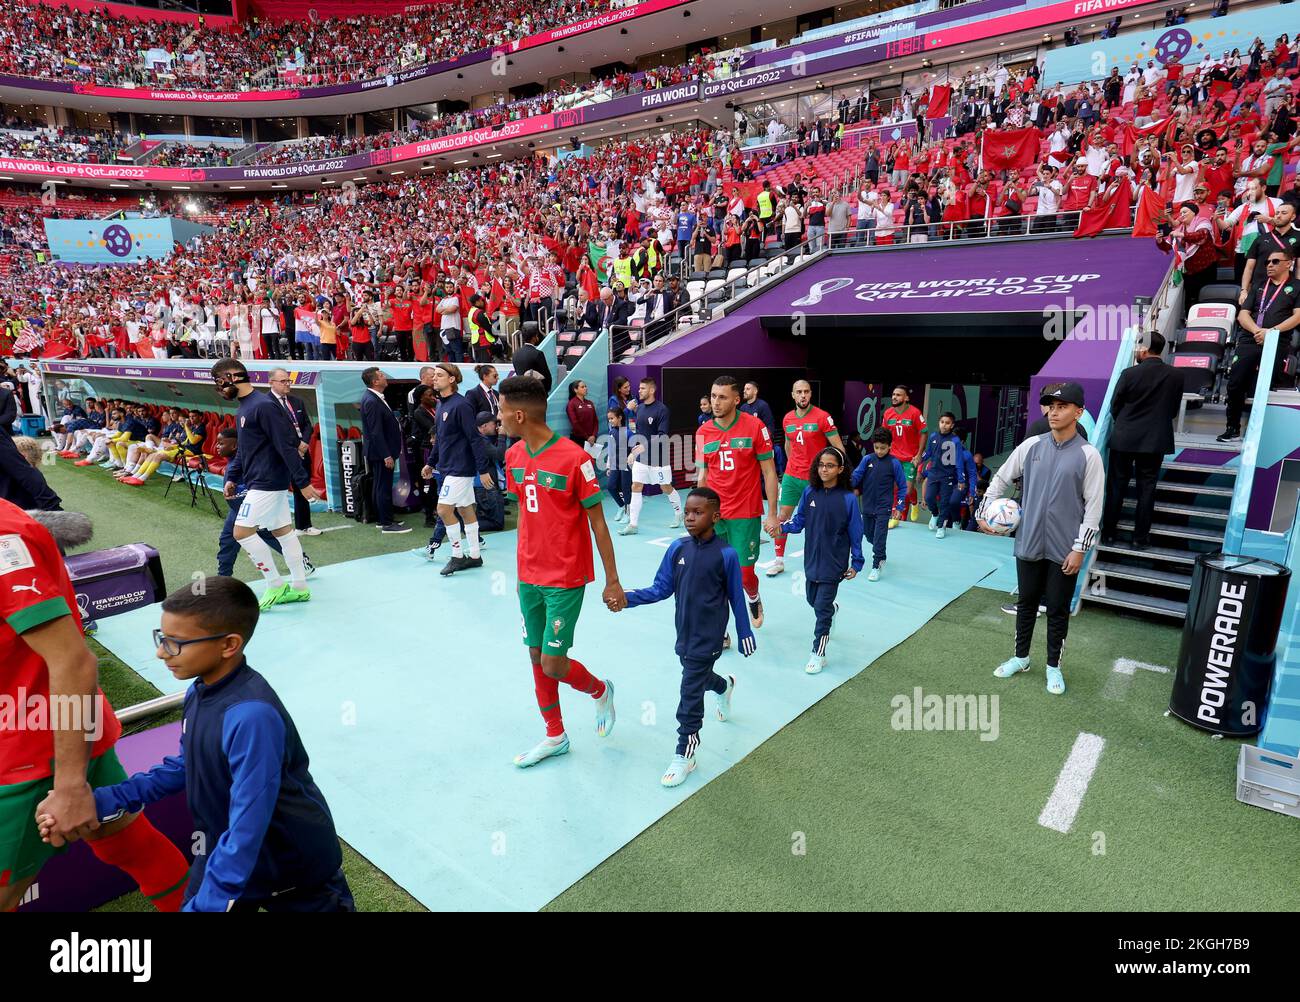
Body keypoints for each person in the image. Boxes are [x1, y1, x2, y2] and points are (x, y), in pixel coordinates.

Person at [42, 577, 354, 911]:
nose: (161, 652)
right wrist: (104, 799)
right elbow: (188, 764)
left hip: (294, 870)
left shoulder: (251, 717)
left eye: (175, 643)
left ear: (229, 645)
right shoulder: (199, 691)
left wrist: (210, 903)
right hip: (224, 853)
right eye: (161, 638)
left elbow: (248, 823)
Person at [0, 499, 189, 913]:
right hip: (54, 735)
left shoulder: (3, 535)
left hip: (30, 750)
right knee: (130, 845)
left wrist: (69, 786)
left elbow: (72, 662)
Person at [498, 375, 624, 768]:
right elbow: (526, 511)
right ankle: (555, 735)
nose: (497, 417)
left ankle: (601, 690)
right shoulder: (514, 456)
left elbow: (599, 523)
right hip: (527, 576)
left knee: (553, 662)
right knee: (535, 655)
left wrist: (613, 580)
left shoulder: (575, 459)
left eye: (501, 411)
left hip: (565, 577)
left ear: (519, 414)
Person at [619, 487, 752, 786]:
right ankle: (724, 686)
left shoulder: (726, 555)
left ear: (715, 517)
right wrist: (627, 599)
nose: (689, 518)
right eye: (687, 512)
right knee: (698, 677)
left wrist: (744, 632)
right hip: (684, 636)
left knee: (689, 694)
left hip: (710, 637)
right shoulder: (677, 549)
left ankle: (685, 752)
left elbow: (736, 597)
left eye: (697, 512)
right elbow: (660, 589)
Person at [978, 383, 1104, 697]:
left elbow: (1094, 508)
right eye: (1050, 405)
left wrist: (1080, 549)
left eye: (1062, 406)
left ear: (1079, 412)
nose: (1054, 411)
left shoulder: (1089, 456)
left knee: (1058, 610)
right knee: (1026, 604)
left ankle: (1053, 667)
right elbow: (1001, 479)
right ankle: (1021, 658)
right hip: (1029, 543)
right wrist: (984, 512)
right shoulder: (1031, 446)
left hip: (1065, 550)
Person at [211, 358, 319, 610]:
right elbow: (245, 451)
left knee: (241, 532)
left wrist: (302, 482)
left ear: (233, 376)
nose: (218, 387)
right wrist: (233, 477)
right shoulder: (245, 408)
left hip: (267, 482)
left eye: (219, 381)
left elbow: (286, 445)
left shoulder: (263, 406)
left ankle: (275, 584)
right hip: (263, 480)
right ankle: (300, 587)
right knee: (283, 532)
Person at [696, 374, 780, 644]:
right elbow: (702, 477)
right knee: (715, 574)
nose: (715, 402)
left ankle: (753, 597)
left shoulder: (755, 427)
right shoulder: (703, 432)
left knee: (744, 574)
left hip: (745, 512)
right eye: (713, 396)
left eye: (722, 397)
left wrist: (772, 513)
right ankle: (721, 631)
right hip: (714, 513)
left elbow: (769, 472)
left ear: (736, 399)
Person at [780, 447, 864, 674]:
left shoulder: (848, 499)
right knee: (814, 601)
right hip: (812, 561)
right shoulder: (809, 492)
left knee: (822, 612)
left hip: (834, 562)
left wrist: (857, 562)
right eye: (821, 465)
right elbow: (798, 522)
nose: (824, 469)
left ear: (840, 469)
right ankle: (831, 610)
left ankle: (818, 653)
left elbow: (856, 531)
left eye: (830, 466)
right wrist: (781, 528)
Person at [1101, 331, 1185, 550]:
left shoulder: (1128, 374)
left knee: (1117, 486)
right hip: (1155, 440)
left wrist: (1126, 424)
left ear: (1144, 349)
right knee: (1147, 489)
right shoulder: (1176, 376)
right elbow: (1173, 411)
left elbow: (1115, 406)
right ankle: (1139, 539)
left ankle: (1109, 534)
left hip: (1125, 438)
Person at [1219, 248, 1300, 441]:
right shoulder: (1259, 285)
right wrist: (1257, 331)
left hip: (1277, 341)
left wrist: (1271, 333)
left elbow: (1298, 316)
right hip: (1250, 339)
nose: (1269, 265)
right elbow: (1243, 314)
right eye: (1267, 262)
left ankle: (1264, 433)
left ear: (1288, 263)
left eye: (1274, 262)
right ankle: (1233, 428)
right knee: (1235, 382)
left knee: (1268, 385)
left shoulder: (1297, 287)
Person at [215, 427, 313, 578]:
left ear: (234, 446)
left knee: (271, 536)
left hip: (253, 508)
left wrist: (238, 490)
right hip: (236, 511)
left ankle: (301, 563)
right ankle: (223, 578)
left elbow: (254, 486)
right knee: (227, 542)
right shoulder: (232, 463)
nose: (217, 446)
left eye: (221, 443)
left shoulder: (247, 462)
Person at [768, 379, 842, 576]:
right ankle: (779, 560)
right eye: (799, 392)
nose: (803, 395)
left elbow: (838, 449)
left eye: (806, 392)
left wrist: (834, 474)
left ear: (810, 394)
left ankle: (825, 558)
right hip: (792, 476)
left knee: (819, 520)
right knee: (783, 517)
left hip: (815, 478)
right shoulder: (787, 419)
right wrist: (793, 465)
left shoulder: (823, 417)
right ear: (793, 395)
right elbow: (788, 445)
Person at [426, 361, 492, 574]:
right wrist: (430, 463)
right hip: (448, 467)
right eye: (434, 375)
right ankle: (474, 555)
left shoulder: (461, 405)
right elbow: (441, 439)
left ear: (452, 379)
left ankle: (457, 555)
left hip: (460, 468)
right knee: (464, 510)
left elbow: (475, 439)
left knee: (443, 510)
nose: (434, 378)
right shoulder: (440, 404)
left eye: (439, 375)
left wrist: (483, 470)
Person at [619, 377, 683, 535]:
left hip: (658, 458)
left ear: (652, 390)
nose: (638, 391)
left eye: (642, 388)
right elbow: (636, 432)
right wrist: (634, 450)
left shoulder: (662, 410)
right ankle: (633, 525)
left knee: (665, 487)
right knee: (636, 486)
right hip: (642, 458)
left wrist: (644, 446)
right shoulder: (639, 409)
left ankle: (678, 513)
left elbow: (662, 436)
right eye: (639, 388)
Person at [359, 367, 411, 535]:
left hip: (380, 451)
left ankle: (383, 519)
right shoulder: (372, 400)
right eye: (381, 376)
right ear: (375, 381)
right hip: (380, 453)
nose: (385, 377)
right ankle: (386, 523)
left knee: (380, 485)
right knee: (383, 486)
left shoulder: (375, 398)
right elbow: (376, 431)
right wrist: (386, 454)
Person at [268, 369, 319, 537]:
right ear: (271, 383)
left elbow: (307, 425)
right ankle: (274, 527)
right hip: (282, 455)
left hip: (302, 452)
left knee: (302, 486)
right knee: (278, 492)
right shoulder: (267, 404)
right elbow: (276, 432)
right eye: (283, 381)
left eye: (288, 380)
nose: (287, 384)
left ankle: (304, 525)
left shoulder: (297, 401)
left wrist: (304, 443)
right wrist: (294, 447)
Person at [850, 429, 907, 581]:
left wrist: (900, 507)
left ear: (890, 446)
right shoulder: (867, 459)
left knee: (879, 537)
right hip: (867, 507)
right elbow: (856, 477)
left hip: (884, 507)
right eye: (876, 447)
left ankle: (876, 565)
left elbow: (902, 487)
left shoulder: (894, 463)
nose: (879, 451)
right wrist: (845, 484)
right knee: (870, 536)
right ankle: (881, 554)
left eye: (883, 448)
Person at [881, 385, 926, 523]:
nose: (894, 397)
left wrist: (919, 454)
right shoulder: (888, 413)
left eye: (898, 395)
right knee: (894, 486)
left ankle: (914, 502)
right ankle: (896, 514)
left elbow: (924, 433)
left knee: (907, 491)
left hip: (910, 458)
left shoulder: (915, 413)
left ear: (906, 398)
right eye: (893, 394)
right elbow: (884, 434)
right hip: (893, 457)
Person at [918, 412, 966, 539]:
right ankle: (934, 514)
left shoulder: (955, 441)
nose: (944, 425)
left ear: (952, 425)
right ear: (939, 423)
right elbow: (928, 452)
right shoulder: (933, 436)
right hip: (933, 474)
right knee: (928, 498)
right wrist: (920, 459)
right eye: (942, 422)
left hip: (947, 476)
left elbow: (959, 461)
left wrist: (961, 479)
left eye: (947, 423)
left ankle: (941, 527)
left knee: (945, 502)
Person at [605, 407, 633, 521]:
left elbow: (635, 449)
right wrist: (609, 466)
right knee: (611, 487)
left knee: (626, 489)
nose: (610, 421)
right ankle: (621, 507)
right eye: (609, 419)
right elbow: (610, 450)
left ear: (620, 417)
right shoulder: (612, 432)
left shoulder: (628, 432)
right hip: (614, 465)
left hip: (626, 465)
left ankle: (628, 513)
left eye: (612, 418)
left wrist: (631, 460)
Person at [511, 324, 552, 394]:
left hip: (522, 392)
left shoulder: (516, 353)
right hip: (536, 392)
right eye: (536, 335)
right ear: (534, 337)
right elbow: (546, 375)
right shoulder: (537, 353)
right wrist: (546, 390)